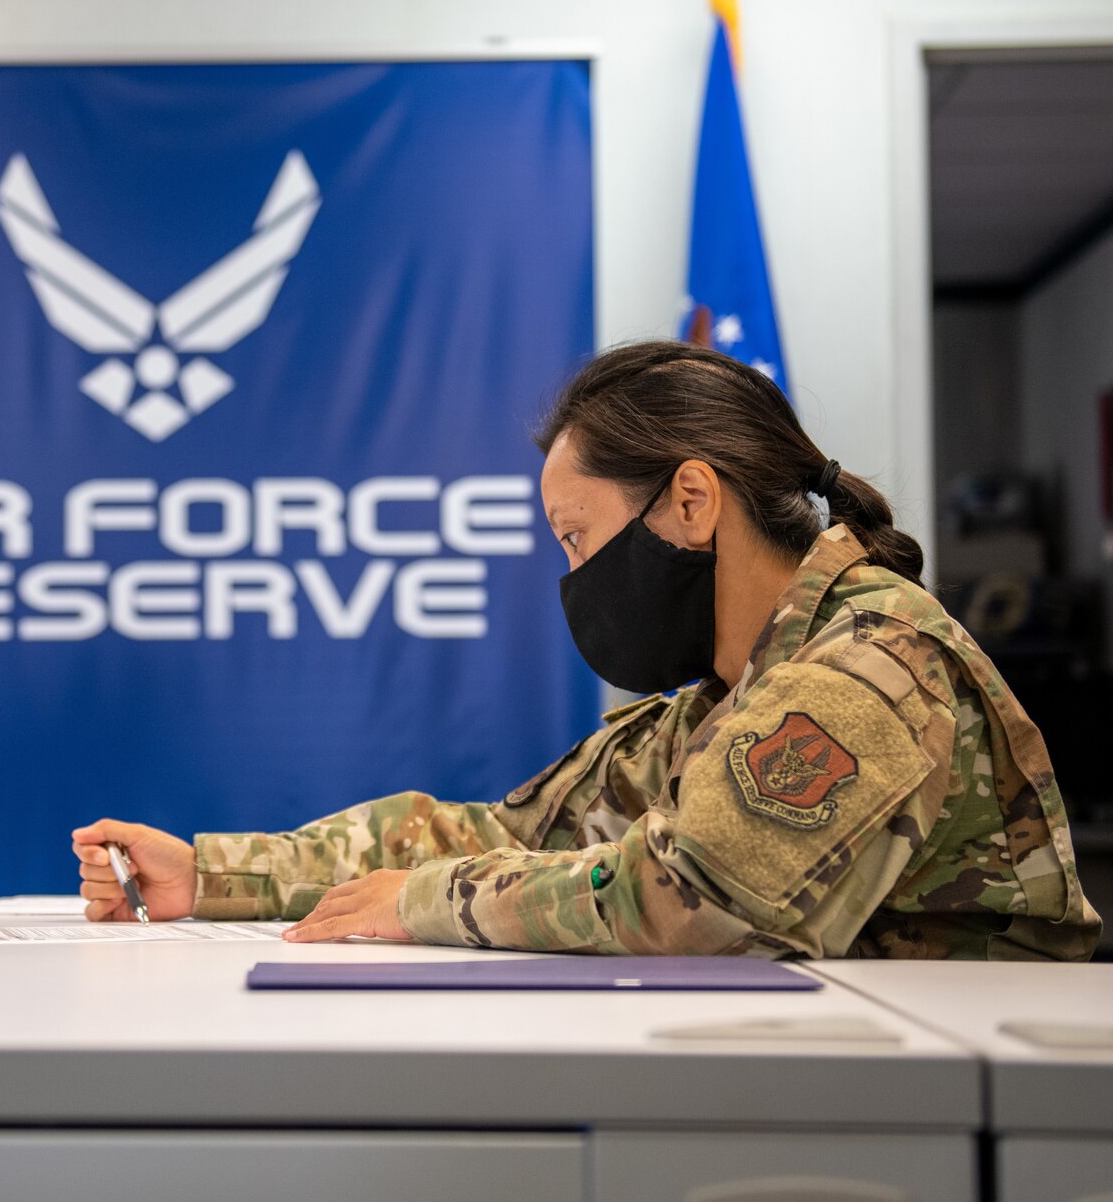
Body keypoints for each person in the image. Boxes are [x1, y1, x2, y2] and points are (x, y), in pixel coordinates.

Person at [74, 342, 1100, 960]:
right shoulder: (727, 699)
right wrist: (208, 873)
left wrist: (423, 908)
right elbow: (496, 829)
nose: (570, 574)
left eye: (574, 537)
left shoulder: (863, 665)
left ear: (690, 501)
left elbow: (696, 900)